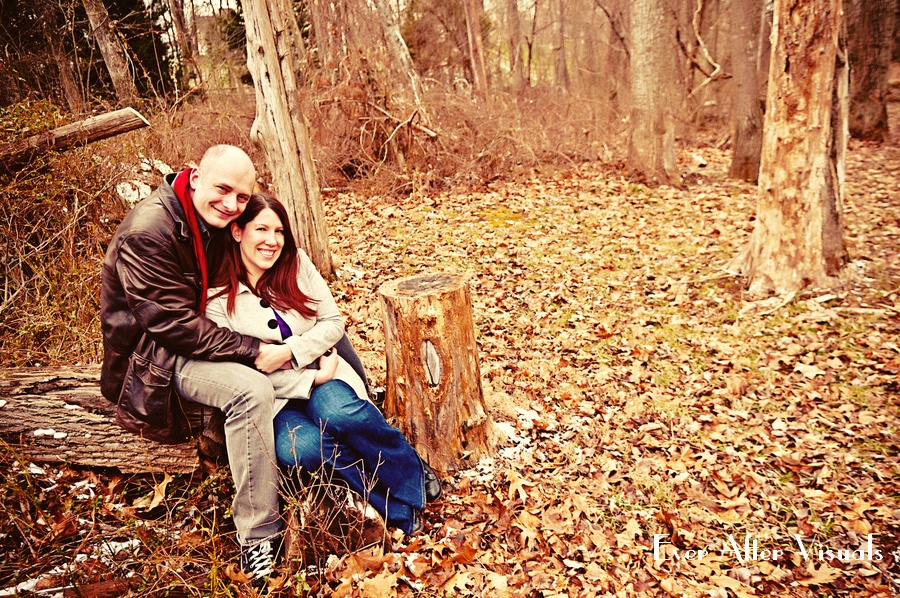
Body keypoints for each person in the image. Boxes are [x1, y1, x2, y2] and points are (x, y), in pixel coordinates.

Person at [100, 145, 289, 592]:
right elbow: (171, 326)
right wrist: (250, 348)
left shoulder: (208, 219)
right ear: (195, 175)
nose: (231, 204)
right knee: (251, 390)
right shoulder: (149, 230)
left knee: (299, 323)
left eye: (242, 197)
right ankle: (258, 537)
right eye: (223, 190)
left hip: (194, 335)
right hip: (153, 358)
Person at [205, 193, 442, 536]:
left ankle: (411, 472)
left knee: (339, 413)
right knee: (300, 448)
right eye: (261, 229)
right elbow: (240, 375)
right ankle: (390, 505)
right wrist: (309, 380)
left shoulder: (296, 264)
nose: (272, 241)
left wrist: (290, 353)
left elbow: (332, 322)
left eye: (279, 231)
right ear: (238, 231)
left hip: (329, 373)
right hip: (274, 400)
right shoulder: (217, 301)